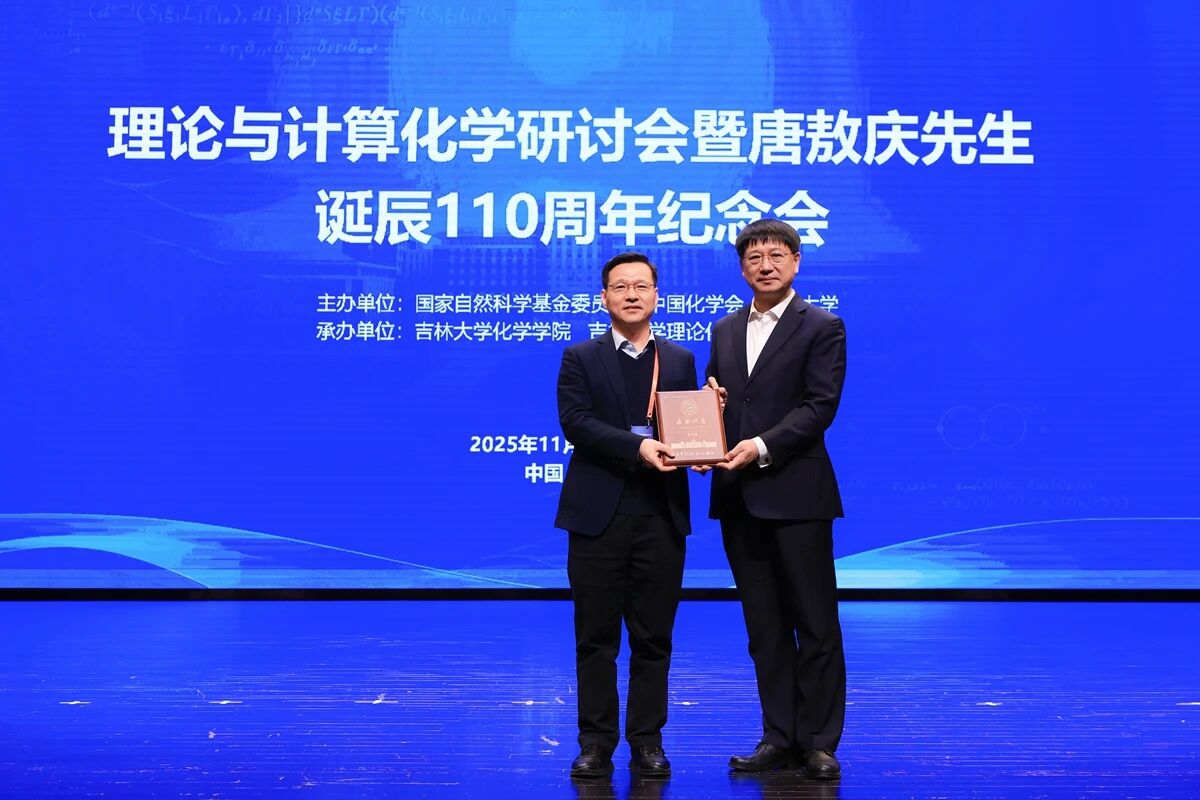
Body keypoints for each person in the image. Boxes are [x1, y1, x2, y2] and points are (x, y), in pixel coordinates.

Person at [701, 219, 847, 780]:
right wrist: (706, 422)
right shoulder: (724, 329)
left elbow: (819, 407)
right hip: (738, 497)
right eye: (754, 257)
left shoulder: (823, 326)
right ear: (742, 268)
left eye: (776, 255)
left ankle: (819, 742)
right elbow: (719, 401)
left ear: (796, 261)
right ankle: (779, 736)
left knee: (815, 622)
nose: (765, 265)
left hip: (797, 493)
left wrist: (760, 446)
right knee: (763, 626)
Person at [554, 252, 698, 779]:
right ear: (605, 298)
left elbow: (687, 427)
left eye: (641, 286)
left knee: (653, 637)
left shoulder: (680, 360)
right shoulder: (580, 356)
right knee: (595, 638)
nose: (632, 294)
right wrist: (637, 448)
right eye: (621, 287)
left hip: (661, 516)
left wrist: (707, 429)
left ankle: (647, 741)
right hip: (598, 516)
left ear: (656, 295)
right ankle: (595, 742)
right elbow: (576, 422)